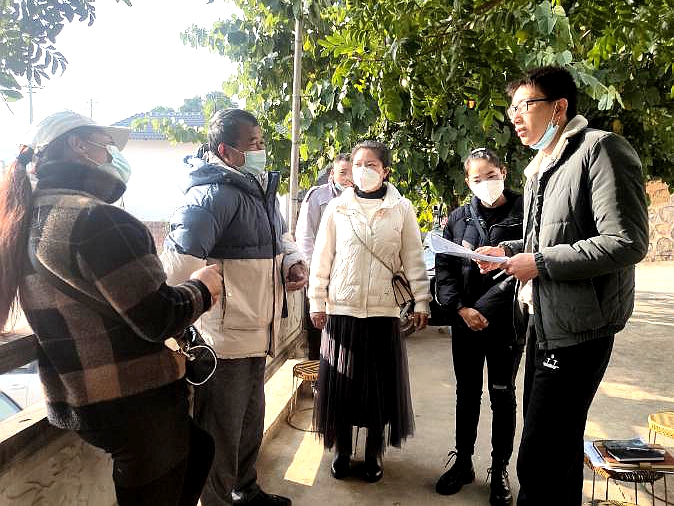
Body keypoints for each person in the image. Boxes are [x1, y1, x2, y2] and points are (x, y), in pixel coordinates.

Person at [0, 111, 222, 506]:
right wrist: (203, 288)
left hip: (83, 400)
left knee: (199, 449)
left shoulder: (28, 216)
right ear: (78, 146)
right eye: (105, 146)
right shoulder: (97, 219)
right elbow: (159, 316)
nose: (113, 156)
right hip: (136, 400)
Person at [476, 66, 649, 505]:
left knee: (539, 460)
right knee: (559, 452)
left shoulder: (600, 150)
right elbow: (551, 238)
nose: (515, 117)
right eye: (511, 109)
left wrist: (537, 263)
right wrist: (507, 251)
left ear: (559, 108)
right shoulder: (544, 166)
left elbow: (626, 242)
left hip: (580, 330)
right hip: (544, 323)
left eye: (525, 105)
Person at [161, 108, 308, 506]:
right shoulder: (210, 197)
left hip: (257, 331)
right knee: (220, 435)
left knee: (248, 424)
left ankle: (246, 490)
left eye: (262, 141)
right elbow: (176, 268)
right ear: (225, 151)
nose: (261, 150)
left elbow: (282, 238)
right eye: (252, 143)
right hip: (223, 341)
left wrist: (293, 262)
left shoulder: (259, 190)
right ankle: (217, 501)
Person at [308, 140, 431, 483]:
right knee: (342, 388)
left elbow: (413, 258)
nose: (362, 170)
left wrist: (422, 300)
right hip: (342, 312)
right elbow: (322, 258)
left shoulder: (401, 208)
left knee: (378, 391)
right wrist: (317, 301)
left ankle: (374, 452)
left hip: (383, 312)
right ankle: (343, 451)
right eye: (358, 164)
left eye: (371, 164)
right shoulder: (337, 208)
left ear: (385, 171)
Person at [434, 148, 524, 506]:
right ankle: (464, 462)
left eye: (491, 175)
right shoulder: (459, 218)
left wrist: (484, 309)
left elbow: (530, 263)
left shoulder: (525, 212)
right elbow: (445, 269)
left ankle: (499, 469)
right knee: (467, 393)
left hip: (507, 324)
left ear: (504, 172)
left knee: (502, 395)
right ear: (467, 182)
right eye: (477, 178)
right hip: (466, 323)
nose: (485, 183)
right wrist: (460, 308)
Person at [295, 153, 352, 359]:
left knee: (345, 339)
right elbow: (305, 237)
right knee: (319, 335)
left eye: (352, 173)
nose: (348, 178)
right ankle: (318, 376)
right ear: (332, 174)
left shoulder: (362, 198)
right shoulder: (317, 196)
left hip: (349, 282)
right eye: (343, 173)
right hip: (321, 279)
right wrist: (315, 275)